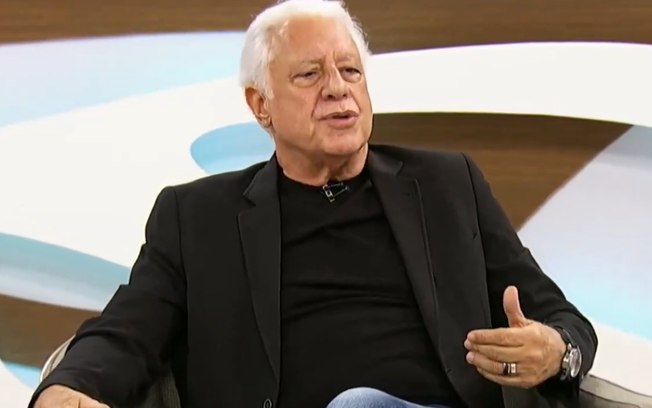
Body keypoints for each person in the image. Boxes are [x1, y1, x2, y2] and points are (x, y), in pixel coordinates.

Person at [31, 0, 597, 407]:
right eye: (310, 74)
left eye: (350, 70)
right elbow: (127, 330)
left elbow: (563, 320)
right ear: (261, 105)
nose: (338, 88)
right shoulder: (197, 218)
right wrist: (68, 387)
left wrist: (557, 351)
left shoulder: (448, 185)